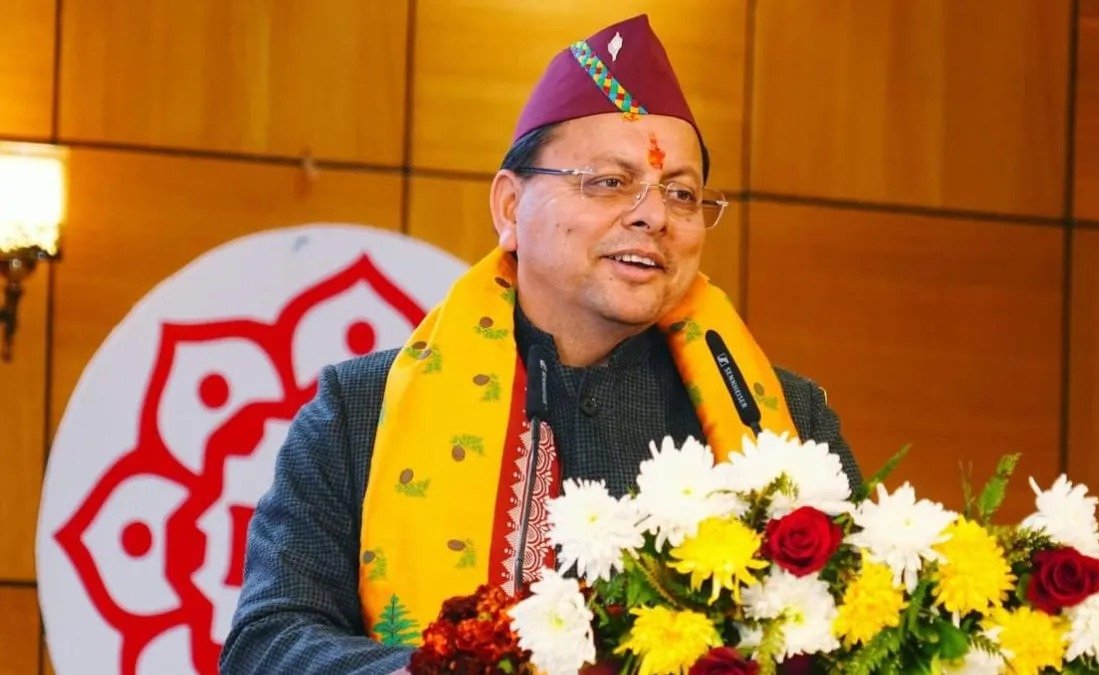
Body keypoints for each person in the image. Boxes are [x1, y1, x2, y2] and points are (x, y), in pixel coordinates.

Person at [219, 14, 859, 675]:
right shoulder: (360, 411)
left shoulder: (783, 422)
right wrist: (445, 670)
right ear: (509, 207)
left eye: (682, 194)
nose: (653, 215)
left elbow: (871, 635)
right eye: (609, 182)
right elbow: (267, 644)